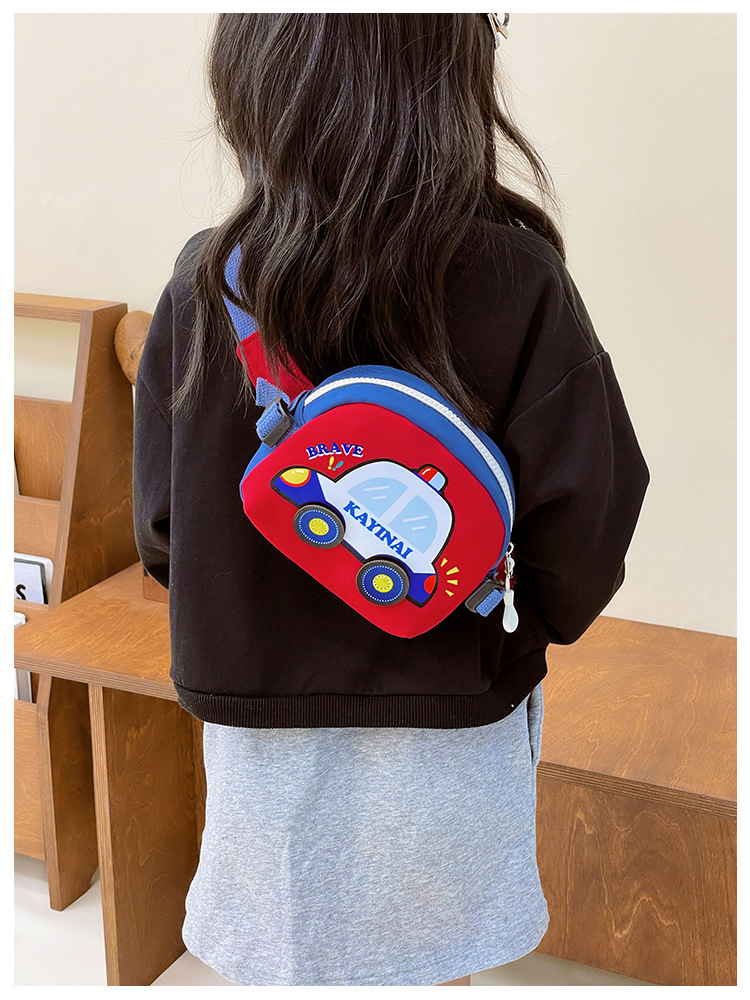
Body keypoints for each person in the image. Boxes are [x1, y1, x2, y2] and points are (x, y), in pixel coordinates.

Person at [132, 13, 650, 987]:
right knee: (439, 961)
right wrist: (496, 618)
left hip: (261, 747)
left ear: (252, 79)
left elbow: (163, 532)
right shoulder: (518, 278)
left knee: (286, 957)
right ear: (454, 79)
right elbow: (584, 538)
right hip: (453, 727)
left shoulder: (208, 282)